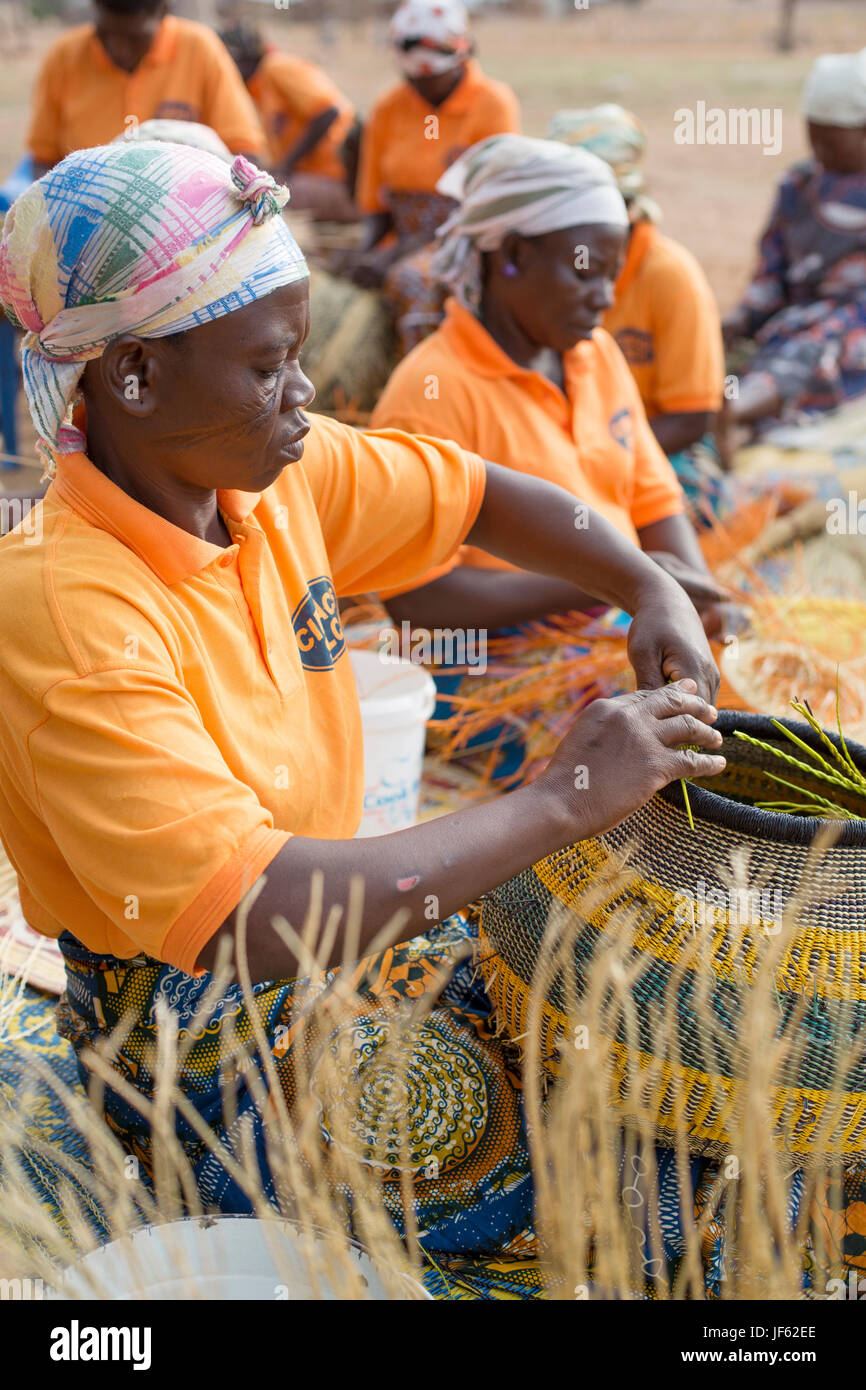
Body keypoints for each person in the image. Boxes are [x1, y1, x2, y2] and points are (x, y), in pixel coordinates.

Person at [0, 140, 723, 1253]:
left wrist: (642, 580)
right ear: (134, 375)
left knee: (633, 1055)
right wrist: (562, 799)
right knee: (577, 1185)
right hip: (200, 1025)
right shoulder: (62, 608)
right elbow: (252, 915)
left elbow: (480, 493)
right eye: (269, 364)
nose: (304, 394)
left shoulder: (268, 481)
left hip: (341, 937)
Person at [370, 135, 730, 645]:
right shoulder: (432, 392)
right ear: (513, 255)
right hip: (504, 654)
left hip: (622, 615)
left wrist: (695, 605)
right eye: (586, 274)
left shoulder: (596, 354)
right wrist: (613, 583)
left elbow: (653, 503)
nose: (604, 299)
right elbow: (419, 598)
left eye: (613, 276)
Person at [548, 105, 725, 515]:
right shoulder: (548, 271)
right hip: (565, 442)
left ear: (627, 206)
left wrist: (597, 462)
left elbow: (691, 419)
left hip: (654, 445)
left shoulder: (670, 276)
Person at [344, 0, 519, 355]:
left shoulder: (492, 104)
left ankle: (424, 387)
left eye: (431, 78)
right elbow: (376, 207)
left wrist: (398, 254)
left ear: (459, 58)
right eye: (413, 78)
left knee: (416, 280)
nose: (421, 87)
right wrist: (363, 254)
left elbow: (490, 204)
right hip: (403, 241)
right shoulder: (388, 107)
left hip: (470, 237)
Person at [723, 48, 866, 435]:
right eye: (814, 138)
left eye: (834, 143)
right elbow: (770, 275)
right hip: (793, 323)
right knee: (727, 353)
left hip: (851, 329)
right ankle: (735, 413)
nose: (821, 152)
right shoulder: (799, 185)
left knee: (815, 348)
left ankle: (734, 416)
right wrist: (739, 319)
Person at [26, 0, 265, 178]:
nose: (119, 50)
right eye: (106, 34)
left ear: (164, 10)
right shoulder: (64, 56)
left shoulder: (200, 49)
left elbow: (244, 155)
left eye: (135, 38)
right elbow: (42, 160)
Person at [220, 23, 357, 222]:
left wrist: (285, 166)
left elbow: (328, 113)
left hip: (337, 180)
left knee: (263, 200)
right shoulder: (258, 88)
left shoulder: (276, 67)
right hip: (314, 179)